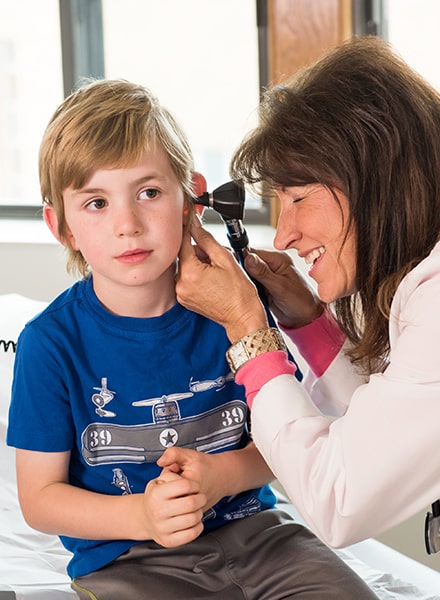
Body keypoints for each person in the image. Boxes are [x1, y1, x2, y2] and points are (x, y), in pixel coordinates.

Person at [6, 79, 379, 600]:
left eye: (149, 193)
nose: (128, 225)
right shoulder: (50, 344)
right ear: (60, 225)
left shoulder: (236, 311)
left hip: (259, 538)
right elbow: (40, 499)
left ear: (191, 199)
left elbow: (293, 438)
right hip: (128, 559)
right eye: (96, 203)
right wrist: (142, 514)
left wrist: (225, 475)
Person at [174, 35, 440, 599]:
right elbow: (385, 424)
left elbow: (339, 498)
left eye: (298, 198)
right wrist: (304, 320)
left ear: (373, 174)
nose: (284, 234)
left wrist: (248, 329)